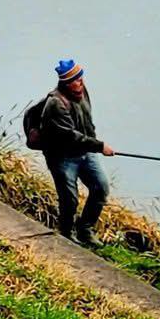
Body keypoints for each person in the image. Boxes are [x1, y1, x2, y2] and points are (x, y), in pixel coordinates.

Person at [38, 58, 114, 246]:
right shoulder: (56, 103)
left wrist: (93, 144)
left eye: (81, 79)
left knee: (101, 187)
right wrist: (100, 146)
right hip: (63, 157)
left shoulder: (82, 92)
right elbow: (70, 136)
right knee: (69, 199)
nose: (80, 84)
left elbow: (87, 122)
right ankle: (65, 232)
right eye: (75, 81)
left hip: (85, 152)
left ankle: (85, 229)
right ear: (65, 83)